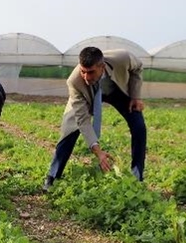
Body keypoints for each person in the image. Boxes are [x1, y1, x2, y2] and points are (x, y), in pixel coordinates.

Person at [43, 46, 147, 192]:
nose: (86, 77)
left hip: (117, 90)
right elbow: (83, 121)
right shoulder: (75, 82)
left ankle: (137, 177)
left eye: (90, 72)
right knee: (70, 130)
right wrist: (98, 152)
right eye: (83, 71)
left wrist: (136, 96)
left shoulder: (122, 58)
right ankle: (52, 177)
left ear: (102, 67)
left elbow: (137, 68)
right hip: (87, 96)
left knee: (139, 127)